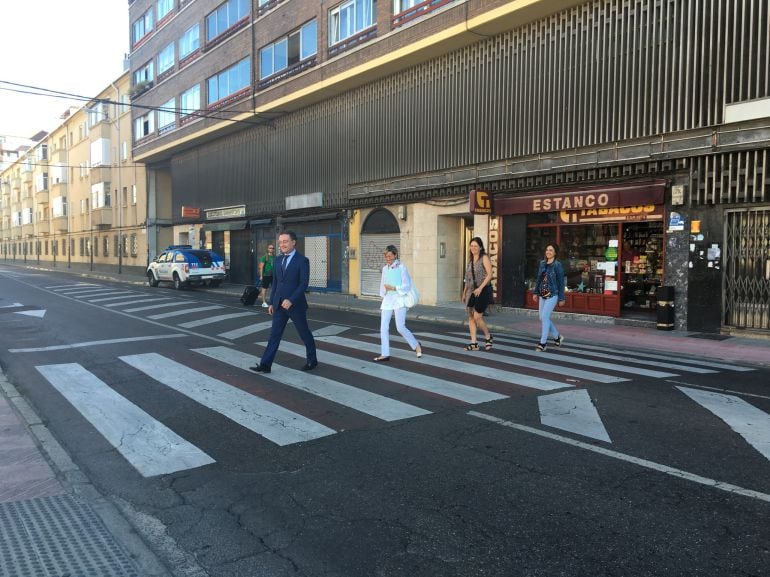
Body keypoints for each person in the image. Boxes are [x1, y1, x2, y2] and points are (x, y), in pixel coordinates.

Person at [250, 231, 318, 373]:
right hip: (279, 305)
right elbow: (275, 283)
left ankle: (312, 360)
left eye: (285, 241)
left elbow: (303, 284)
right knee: (274, 335)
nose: (282, 244)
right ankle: (265, 364)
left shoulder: (302, 260)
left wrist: (291, 300)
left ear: (293, 242)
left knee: (304, 333)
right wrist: (272, 303)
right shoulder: (278, 260)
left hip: (296, 305)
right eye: (280, 242)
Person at [373, 245, 422, 362]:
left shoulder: (402, 267)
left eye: (390, 255)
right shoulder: (385, 269)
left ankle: (416, 345)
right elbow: (383, 284)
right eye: (386, 256)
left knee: (400, 327)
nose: (388, 258)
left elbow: (407, 285)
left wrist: (394, 288)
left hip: (400, 299)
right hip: (388, 300)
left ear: (395, 255)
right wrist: (383, 293)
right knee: (383, 327)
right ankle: (385, 354)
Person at [461, 237, 494, 351]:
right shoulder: (470, 261)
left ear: (480, 247)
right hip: (471, 291)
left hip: (482, 290)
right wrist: (464, 292)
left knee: (477, 316)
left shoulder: (484, 258)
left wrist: (480, 288)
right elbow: (467, 278)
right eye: (471, 246)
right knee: (470, 316)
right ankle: (474, 343)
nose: (473, 248)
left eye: (475, 246)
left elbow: (490, 274)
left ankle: (488, 336)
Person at [533, 243, 566, 352]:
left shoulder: (557, 265)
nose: (548, 252)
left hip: (552, 295)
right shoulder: (542, 263)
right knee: (542, 318)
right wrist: (535, 292)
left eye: (551, 250)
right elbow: (539, 279)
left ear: (555, 253)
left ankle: (542, 343)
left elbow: (561, 283)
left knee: (545, 317)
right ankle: (557, 337)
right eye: (547, 250)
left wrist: (561, 298)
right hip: (542, 294)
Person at [257, 243, 275, 307]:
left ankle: (273, 301)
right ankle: (264, 302)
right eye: (270, 248)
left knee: (274, 288)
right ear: (268, 249)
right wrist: (261, 276)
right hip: (266, 275)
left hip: (273, 275)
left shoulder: (275, 257)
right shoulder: (264, 257)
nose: (272, 249)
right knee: (264, 288)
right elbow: (261, 267)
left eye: (273, 248)